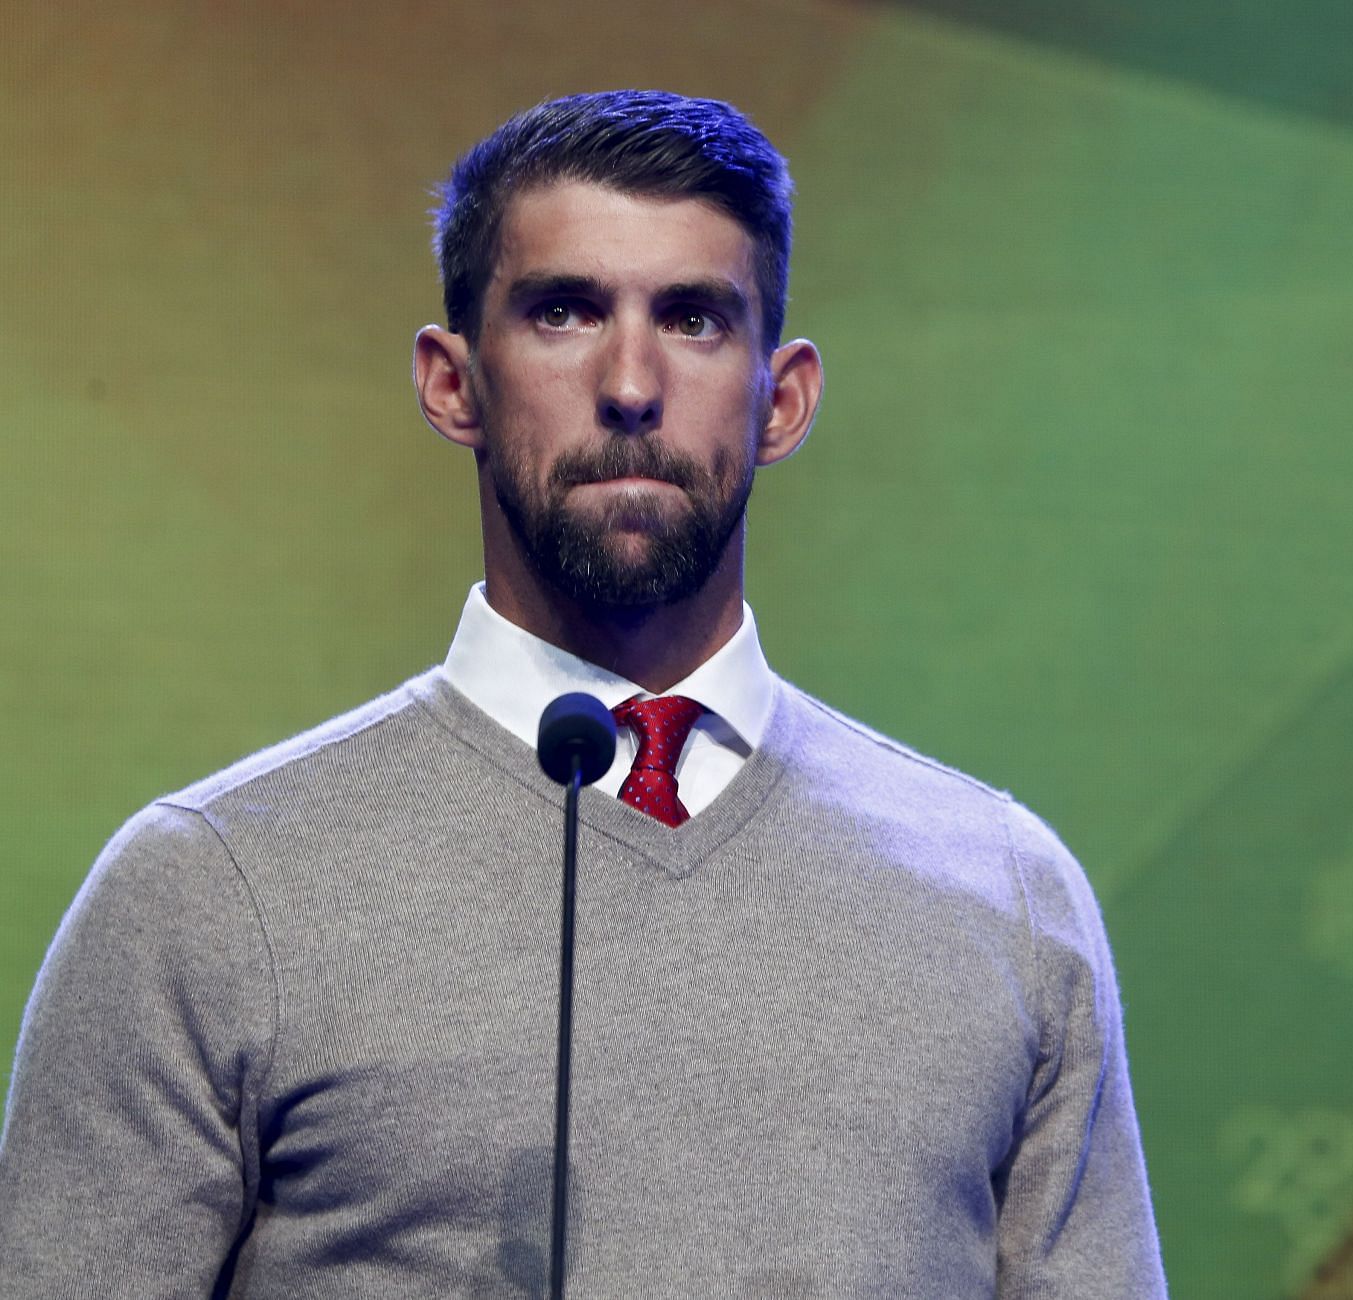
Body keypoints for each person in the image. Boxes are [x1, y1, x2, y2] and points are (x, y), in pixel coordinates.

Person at [0, 91, 1165, 1296]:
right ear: (454, 384)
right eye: (563, 312)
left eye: (696, 319)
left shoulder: (1005, 900)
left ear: (783, 399)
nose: (629, 382)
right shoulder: (208, 894)